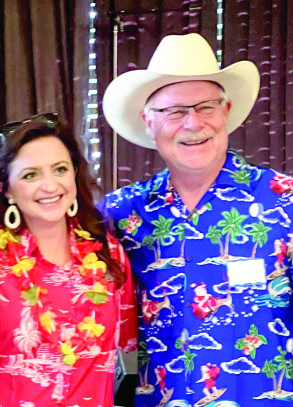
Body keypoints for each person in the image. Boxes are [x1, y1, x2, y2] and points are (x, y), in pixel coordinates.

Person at [99, 32, 293, 406]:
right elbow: (48, 234)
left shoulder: (284, 201)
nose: (192, 123)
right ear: (148, 123)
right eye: (174, 111)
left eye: (205, 106)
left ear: (226, 111)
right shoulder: (121, 213)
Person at [0, 113, 138, 406]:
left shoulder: (108, 255)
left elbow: (127, 344)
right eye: (30, 175)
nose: (50, 186)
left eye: (60, 169)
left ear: (75, 173)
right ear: (6, 189)